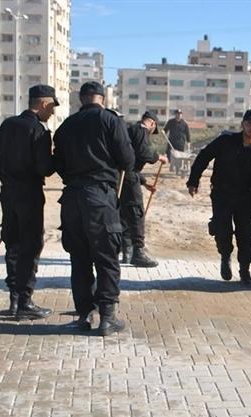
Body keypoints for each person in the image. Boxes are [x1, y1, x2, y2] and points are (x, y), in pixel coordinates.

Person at [53, 81, 135, 335]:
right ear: (102, 99)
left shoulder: (66, 125)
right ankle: (107, 317)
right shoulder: (110, 120)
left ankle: (84, 315)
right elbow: (128, 159)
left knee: (79, 259)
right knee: (106, 257)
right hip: (100, 197)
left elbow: (58, 163)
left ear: (82, 99)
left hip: (72, 198)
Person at [0, 85, 58, 319]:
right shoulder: (38, 130)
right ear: (43, 104)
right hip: (29, 195)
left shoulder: (7, 125)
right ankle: (25, 302)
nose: (52, 112)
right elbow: (44, 168)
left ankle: (14, 298)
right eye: (51, 107)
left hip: (8, 193)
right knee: (30, 247)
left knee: (12, 244)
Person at [186, 109, 251, 284]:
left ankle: (244, 270)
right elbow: (204, 156)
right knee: (222, 230)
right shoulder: (225, 141)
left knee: (246, 234)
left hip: (245, 200)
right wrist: (193, 180)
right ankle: (225, 257)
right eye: (249, 123)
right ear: (243, 125)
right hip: (222, 195)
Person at [120, 111, 168, 267]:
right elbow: (143, 153)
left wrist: (145, 183)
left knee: (124, 213)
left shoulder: (131, 130)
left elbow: (131, 163)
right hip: (129, 178)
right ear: (152, 123)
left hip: (123, 176)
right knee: (136, 213)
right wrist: (159, 157)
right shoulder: (141, 130)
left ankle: (126, 251)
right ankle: (138, 253)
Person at [163, 109, 190, 174]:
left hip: (180, 143)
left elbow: (187, 134)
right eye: (177, 114)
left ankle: (178, 169)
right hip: (171, 142)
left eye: (180, 114)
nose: (179, 115)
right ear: (175, 114)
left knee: (179, 157)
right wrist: (163, 132)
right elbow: (165, 130)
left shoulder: (184, 124)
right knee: (170, 156)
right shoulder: (170, 122)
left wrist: (188, 142)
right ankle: (172, 165)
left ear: (181, 115)